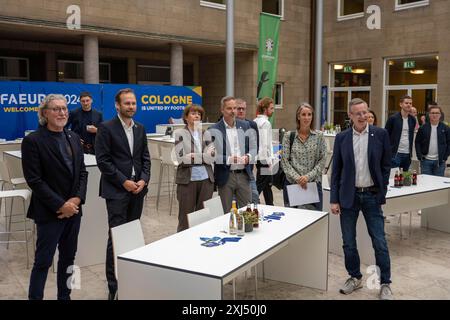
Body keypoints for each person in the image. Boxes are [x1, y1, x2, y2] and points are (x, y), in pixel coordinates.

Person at [22, 94, 88, 300]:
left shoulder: (74, 138)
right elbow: (35, 180)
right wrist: (61, 205)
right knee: (43, 262)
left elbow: (83, 173)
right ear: (44, 113)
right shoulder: (33, 140)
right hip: (50, 213)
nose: (62, 113)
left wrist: (76, 200)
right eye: (56, 109)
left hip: (74, 211)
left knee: (70, 258)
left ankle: (66, 296)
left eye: (65, 108)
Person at [330, 98, 393, 300]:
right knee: (348, 241)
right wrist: (334, 199)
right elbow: (336, 171)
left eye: (365, 112)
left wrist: (381, 192)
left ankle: (385, 283)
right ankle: (355, 277)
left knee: (380, 241)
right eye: (357, 113)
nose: (362, 116)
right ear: (350, 116)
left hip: (372, 196)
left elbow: (385, 166)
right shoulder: (342, 138)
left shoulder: (380, 134)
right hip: (349, 196)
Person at [95, 88, 151, 300]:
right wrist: (124, 182)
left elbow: (145, 157)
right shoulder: (106, 128)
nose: (131, 107)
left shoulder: (140, 128)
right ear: (117, 106)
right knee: (117, 238)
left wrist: (143, 180)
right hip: (117, 191)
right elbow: (103, 161)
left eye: (133, 103)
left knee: (132, 235)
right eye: (127, 103)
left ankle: (132, 281)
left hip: (138, 190)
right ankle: (114, 288)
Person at [208, 96, 257, 213]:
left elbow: (254, 148)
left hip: (243, 175)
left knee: (247, 211)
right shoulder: (213, 129)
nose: (233, 111)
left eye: (235, 108)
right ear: (222, 110)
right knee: (226, 213)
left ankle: (246, 231)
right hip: (226, 176)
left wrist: (248, 157)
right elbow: (211, 156)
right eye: (229, 108)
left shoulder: (245, 126)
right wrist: (229, 159)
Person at [174, 104, 214, 232]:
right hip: (187, 180)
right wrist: (203, 156)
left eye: (199, 114)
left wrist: (194, 156)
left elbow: (213, 157)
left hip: (206, 180)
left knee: (203, 217)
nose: (197, 115)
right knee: (185, 218)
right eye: (193, 113)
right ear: (186, 117)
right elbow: (182, 159)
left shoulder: (206, 134)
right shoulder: (179, 134)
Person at [281, 102, 326, 210]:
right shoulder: (288, 136)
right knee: (293, 221)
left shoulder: (319, 136)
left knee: (315, 220)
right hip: (292, 185)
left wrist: (307, 177)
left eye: (309, 114)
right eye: (303, 114)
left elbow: (322, 159)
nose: (307, 117)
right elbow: (284, 161)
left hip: (313, 185)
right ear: (298, 116)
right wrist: (298, 179)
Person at [235, 98, 260, 204]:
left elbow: (256, 147)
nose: (241, 111)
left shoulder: (252, 125)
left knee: (254, 200)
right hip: (230, 173)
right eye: (238, 108)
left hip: (248, 171)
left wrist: (248, 157)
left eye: (243, 109)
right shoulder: (225, 125)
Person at [415, 104, 450, 176]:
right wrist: (419, 156)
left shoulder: (445, 128)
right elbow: (417, 142)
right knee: (426, 184)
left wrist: (445, 157)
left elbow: (449, 143)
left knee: (438, 184)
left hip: (440, 161)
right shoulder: (423, 128)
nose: (435, 115)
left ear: (440, 115)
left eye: (437, 113)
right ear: (429, 115)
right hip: (425, 161)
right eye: (432, 113)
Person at [385, 95, 416, 171]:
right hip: (395, 154)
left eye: (410, 103)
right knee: (393, 178)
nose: (409, 105)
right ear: (401, 104)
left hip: (407, 154)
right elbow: (386, 135)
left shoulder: (412, 119)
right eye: (406, 103)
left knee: (405, 178)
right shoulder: (393, 118)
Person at [254, 97, 275, 205]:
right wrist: (269, 161)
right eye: (271, 108)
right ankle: (251, 203)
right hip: (264, 159)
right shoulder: (266, 123)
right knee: (261, 184)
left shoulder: (255, 121)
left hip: (258, 158)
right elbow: (266, 144)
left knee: (267, 185)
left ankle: (270, 205)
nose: (273, 110)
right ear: (265, 108)